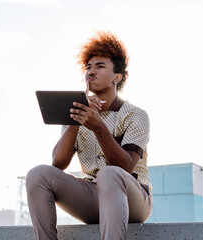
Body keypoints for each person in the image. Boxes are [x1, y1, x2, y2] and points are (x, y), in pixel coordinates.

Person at [26, 31, 153, 240]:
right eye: (88, 67)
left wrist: (98, 127)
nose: (91, 72)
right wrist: (76, 121)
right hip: (93, 198)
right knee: (37, 174)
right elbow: (58, 162)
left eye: (100, 66)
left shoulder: (136, 115)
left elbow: (126, 166)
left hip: (134, 199)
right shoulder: (77, 113)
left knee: (109, 174)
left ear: (117, 77)